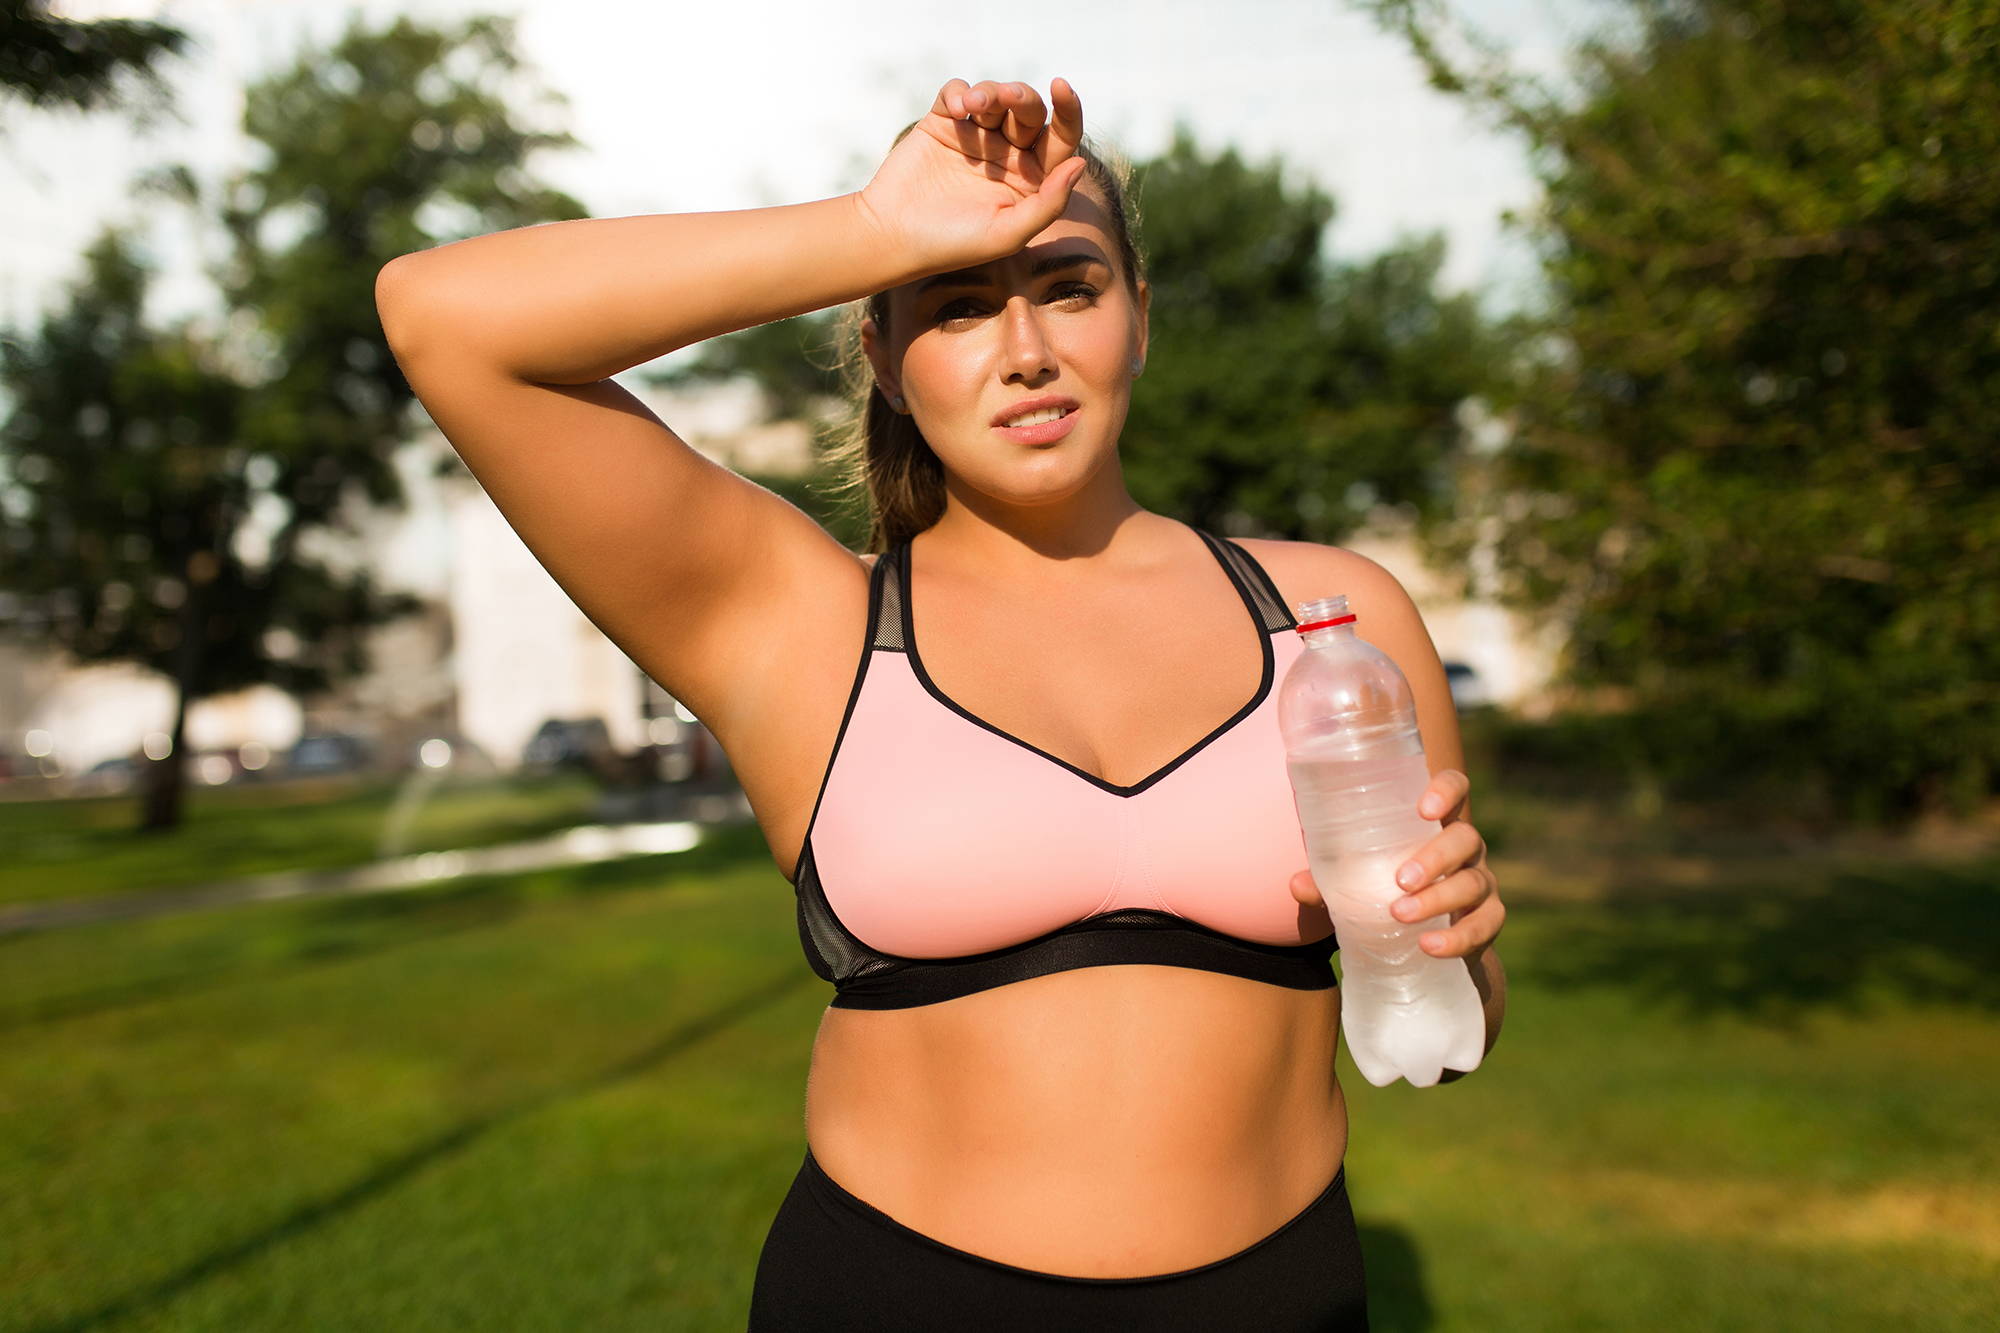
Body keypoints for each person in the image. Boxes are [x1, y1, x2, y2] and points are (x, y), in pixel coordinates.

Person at [376, 75, 1507, 1331]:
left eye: (1068, 288)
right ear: (884, 359)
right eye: (958, 305)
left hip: (1283, 1297)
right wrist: (874, 231)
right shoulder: (798, 628)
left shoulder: (1332, 622)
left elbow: (1456, 1013)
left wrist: (1458, 943)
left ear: (1139, 320)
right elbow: (442, 315)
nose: (1024, 353)